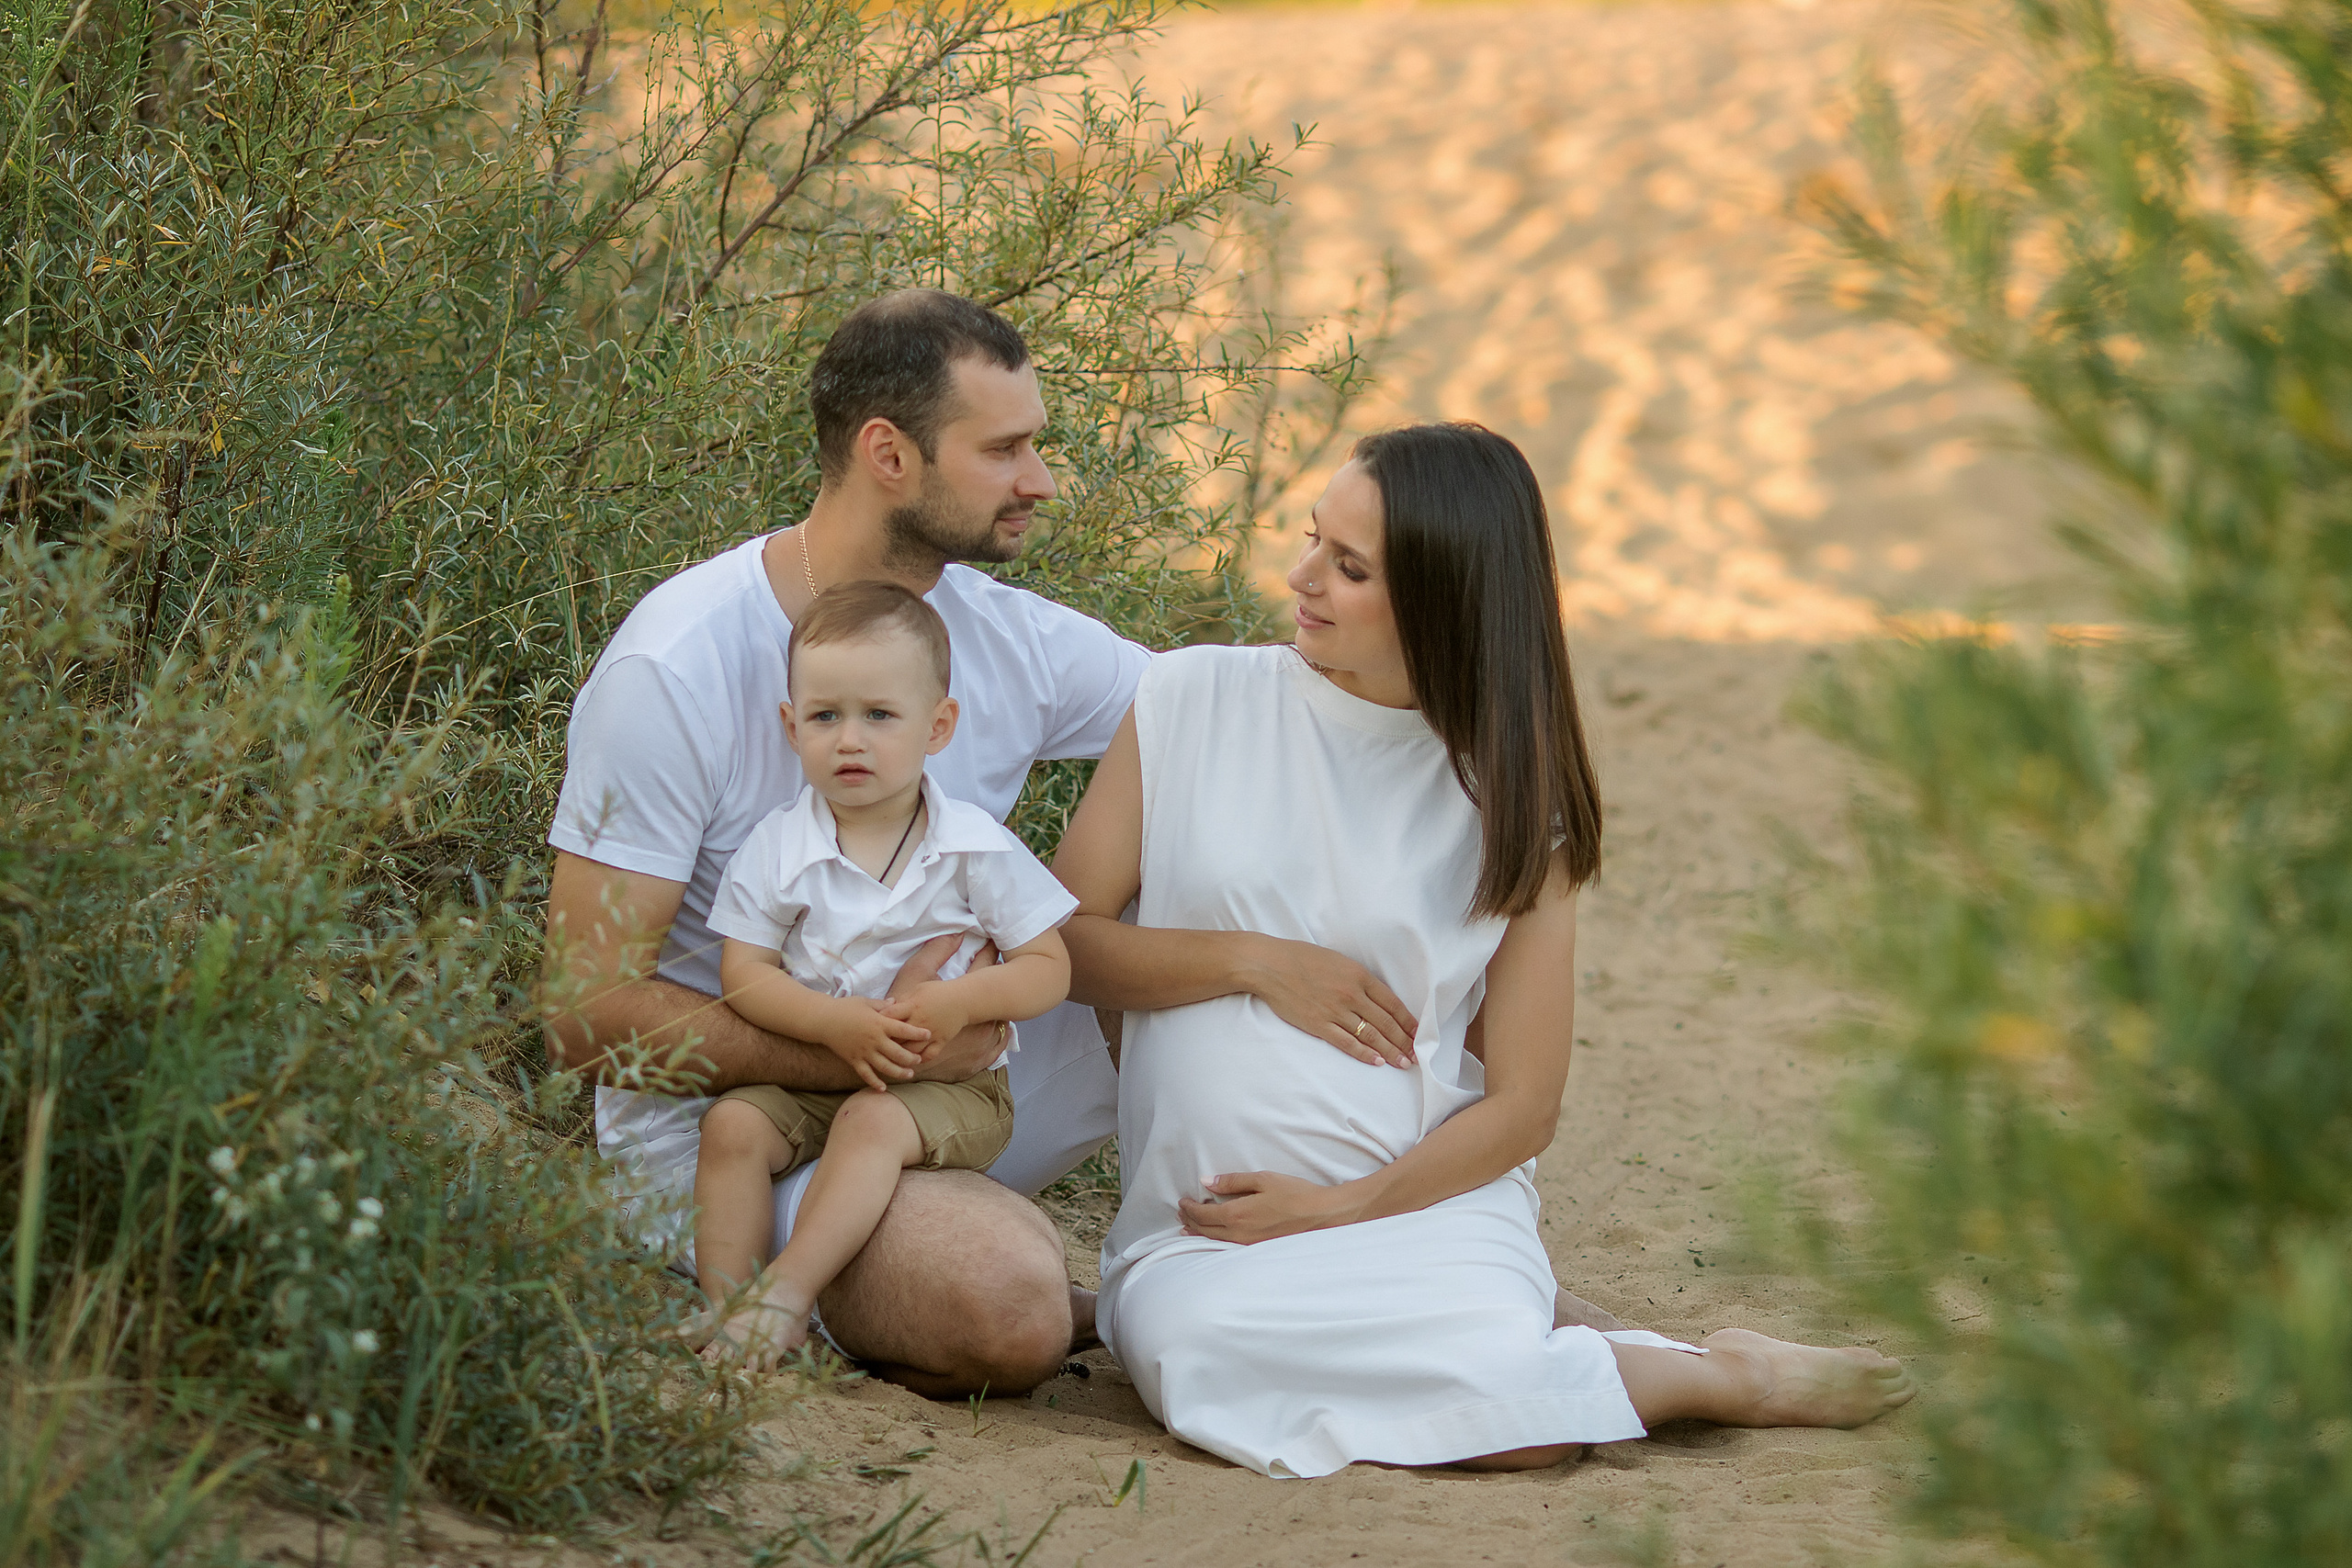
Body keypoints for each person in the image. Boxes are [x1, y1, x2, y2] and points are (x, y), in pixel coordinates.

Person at [1051, 422, 1917, 1475]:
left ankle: (1725, 1374)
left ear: (1440, 601)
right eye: (1314, 539)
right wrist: (1255, 960)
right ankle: (1637, 1363)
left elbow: (1523, 1105)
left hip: (1418, 1207)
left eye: (1349, 566)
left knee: (1528, 1437)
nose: (1301, 575)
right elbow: (1058, 946)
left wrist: (1337, 1208)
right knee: (1203, 1360)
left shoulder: (1505, 798)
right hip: (1210, 1237)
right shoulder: (1191, 700)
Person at [540, 290, 1146, 1396]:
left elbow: (1224, 720)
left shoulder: (1006, 637)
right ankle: (1104, 1306)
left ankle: (1363, 1264)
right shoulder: (677, 669)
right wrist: (869, 1046)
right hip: (740, 1133)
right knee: (1005, 1312)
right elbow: (586, 1015)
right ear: (888, 454)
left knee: (1225, 886)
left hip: (959, 1070)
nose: (1039, 482)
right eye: (1005, 449)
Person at [691, 582, 1079, 1371]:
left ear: (939, 726)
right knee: (731, 1125)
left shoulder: (975, 848)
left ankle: (788, 1293)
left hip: (955, 1091)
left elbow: (1050, 968)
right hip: (824, 1069)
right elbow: (746, 973)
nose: (851, 740)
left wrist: (960, 1000)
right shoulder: (777, 847)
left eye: (880, 715)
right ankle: (730, 1311)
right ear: (791, 726)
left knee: (872, 1124)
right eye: (826, 716)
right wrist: (834, 1024)